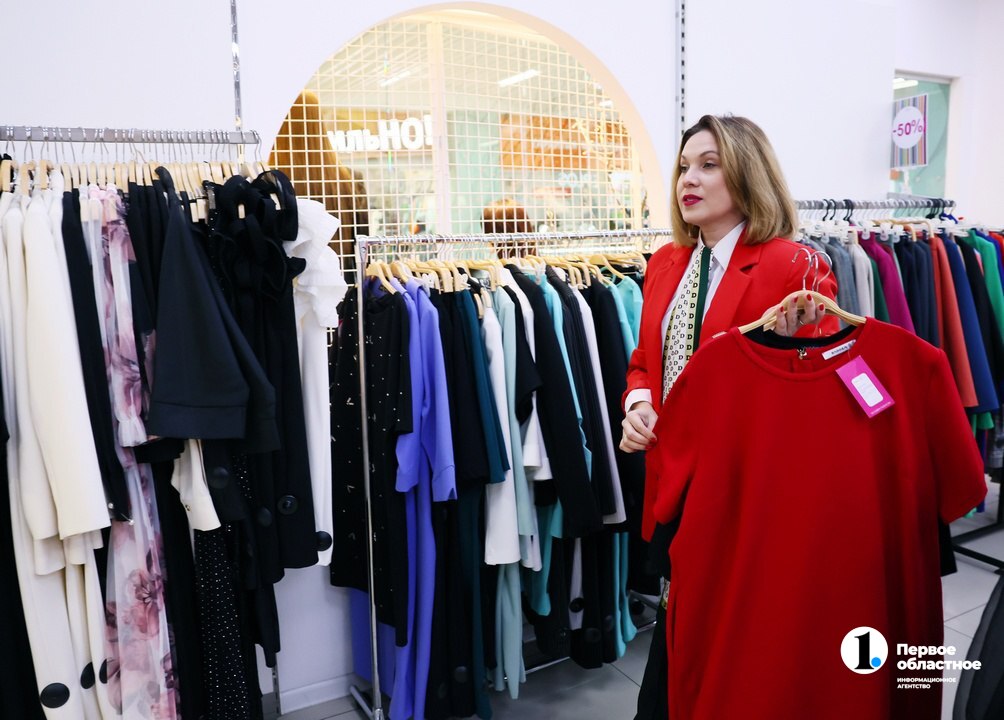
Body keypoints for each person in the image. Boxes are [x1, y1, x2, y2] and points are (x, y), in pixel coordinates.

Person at [618, 114, 839, 720]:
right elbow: (645, 361)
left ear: (748, 173)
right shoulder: (666, 263)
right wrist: (639, 404)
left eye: (709, 165)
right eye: (684, 167)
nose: (688, 179)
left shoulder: (793, 266)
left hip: (745, 497)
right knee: (679, 640)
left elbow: (814, 399)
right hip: (673, 486)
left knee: (730, 651)